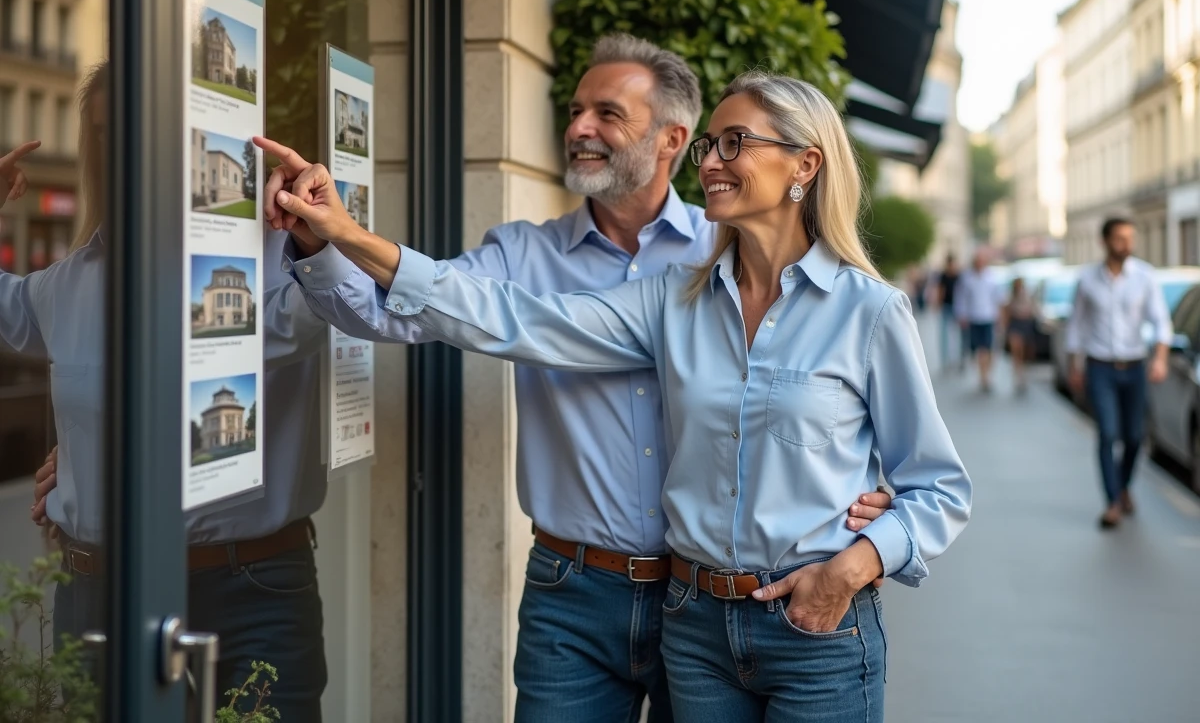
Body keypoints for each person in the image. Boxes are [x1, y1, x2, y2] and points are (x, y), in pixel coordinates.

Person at [265, 69, 972, 721]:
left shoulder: (869, 311)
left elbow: (938, 487)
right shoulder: (674, 299)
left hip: (814, 629)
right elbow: (513, 314)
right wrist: (346, 236)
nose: (711, 162)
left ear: (805, 164)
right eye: (710, 146)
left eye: (734, 142)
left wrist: (857, 563)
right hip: (693, 624)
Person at [6, 63, 331, 721]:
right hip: (102, 594)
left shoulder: (282, 263)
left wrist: (324, 225)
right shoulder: (72, 282)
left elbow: (371, 300)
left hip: (251, 590)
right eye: (108, 134)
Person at [1065, 218, 1171, 530]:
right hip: (1100, 367)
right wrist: (1074, 365)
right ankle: (1111, 502)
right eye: (1120, 238)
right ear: (1105, 241)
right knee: (1108, 433)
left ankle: (1123, 486)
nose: (1127, 244)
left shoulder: (1145, 276)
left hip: (1135, 366)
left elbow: (1161, 322)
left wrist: (1160, 359)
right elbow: (1076, 325)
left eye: (1130, 238)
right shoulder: (1087, 279)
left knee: (1135, 437)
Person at [954, 252, 1003, 393]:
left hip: (989, 317)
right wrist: (961, 315)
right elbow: (961, 298)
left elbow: (998, 298)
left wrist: (1000, 317)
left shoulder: (991, 277)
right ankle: (983, 377)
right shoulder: (967, 278)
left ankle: (986, 375)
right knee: (980, 349)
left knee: (989, 348)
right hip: (974, 318)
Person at [1003, 276, 1036, 394]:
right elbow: (1006, 312)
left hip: (1025, 325)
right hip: (1015, 325)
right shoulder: (1010, 297)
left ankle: (1022, 375)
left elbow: (1033, 310)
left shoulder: (1027, 295)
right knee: (1016, 350)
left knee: (1023, 353)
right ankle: (1017, 375)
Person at [936, 253, 962, 371]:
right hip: (946, 306)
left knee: (957, 336)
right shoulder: (943, 276)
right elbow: (940, 290)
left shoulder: (958, 276)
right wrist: (939, 303)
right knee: (945, 335)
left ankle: (957, 359)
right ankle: (945, 361)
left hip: (957, 307)